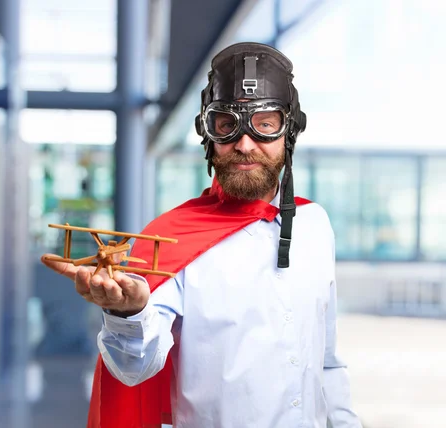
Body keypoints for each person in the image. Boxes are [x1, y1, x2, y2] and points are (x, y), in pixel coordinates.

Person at [42, 42, 362, 428]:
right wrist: (128, 314)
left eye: (265, 124)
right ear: (207, 135)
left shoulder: (316, 225)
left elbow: (327, 361)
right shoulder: (169, 241)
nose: (245, 143)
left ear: (290, 130)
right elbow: (134, 369)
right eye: (226, 124)